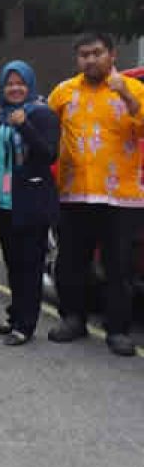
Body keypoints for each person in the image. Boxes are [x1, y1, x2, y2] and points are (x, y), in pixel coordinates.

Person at [46, 32, 144, 356]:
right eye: (84, 54)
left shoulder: (135, 89)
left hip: (121, 196)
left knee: (119, 266)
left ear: (112, 55)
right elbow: (45, 130)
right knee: (72, 263)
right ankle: (73, 318)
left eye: (97, 53)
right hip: (74, 194)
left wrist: (128, 99)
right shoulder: (63, 92)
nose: (90, 59)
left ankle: (117, 330)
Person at [0, 60, 59, 346]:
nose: (15, 89)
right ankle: (15, 316)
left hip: (31, 199)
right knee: (13, 263)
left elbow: (48, 155)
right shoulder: (1, 116)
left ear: (29, 85)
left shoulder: (41, 114)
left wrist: (26, 126)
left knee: (30, 265)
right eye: (10, 84)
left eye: (20, 83)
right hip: (6, 201)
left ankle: (26, 325)